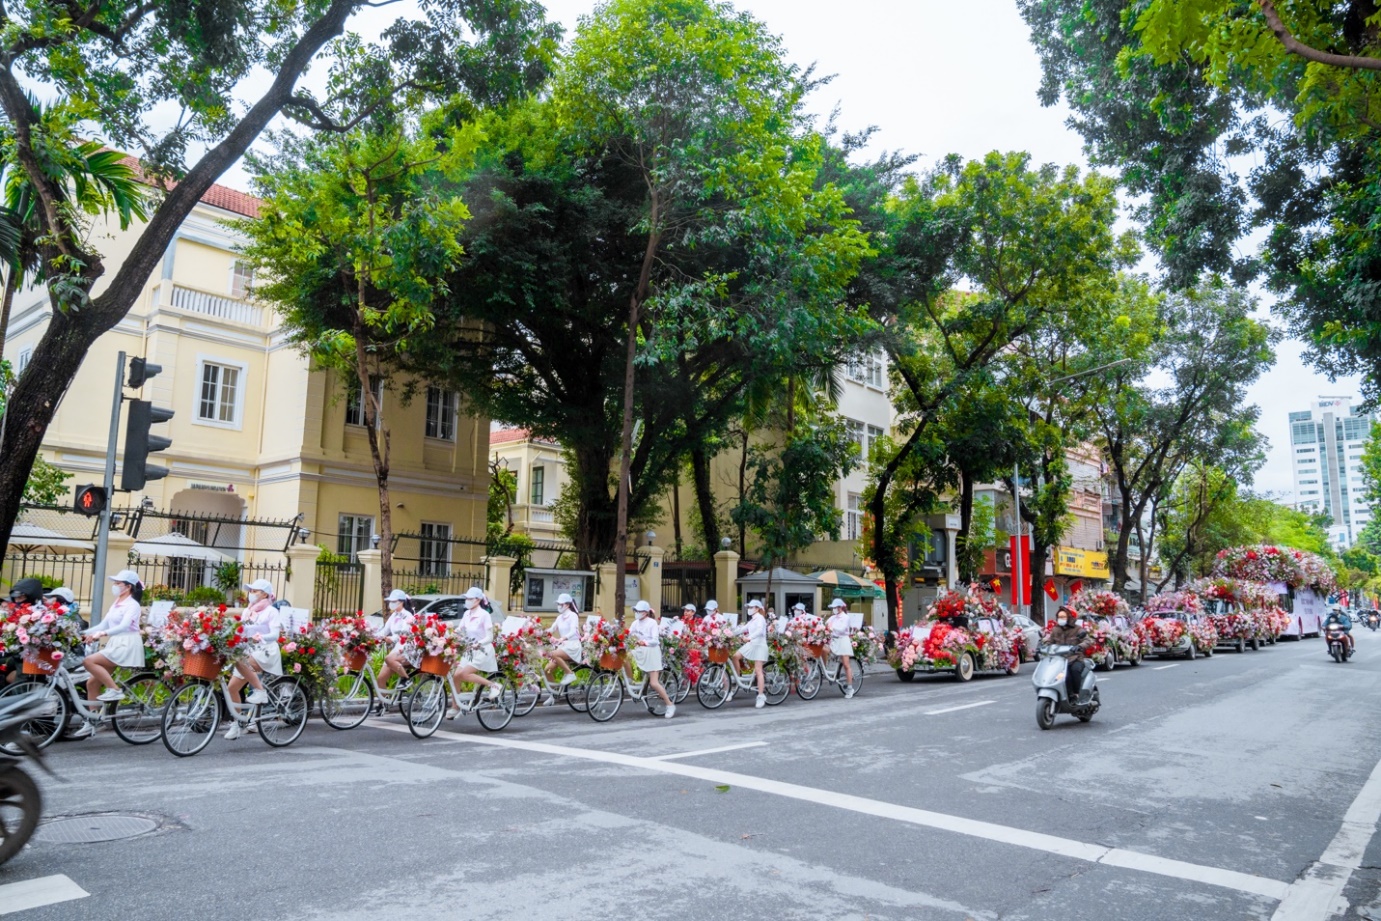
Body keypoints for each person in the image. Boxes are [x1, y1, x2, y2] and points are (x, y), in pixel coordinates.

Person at [225, 579, 278, 739]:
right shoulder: (247, 611)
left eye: (255, 591)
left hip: (266, 651)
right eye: (251, 590)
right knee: (232, 689)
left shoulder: (271, 611)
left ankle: (260, 692)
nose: (251, 594)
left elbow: (275, 634)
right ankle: (236, 724)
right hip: (248, 651)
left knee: (239, 660)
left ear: (265, 594)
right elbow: (240, 630)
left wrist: (260, 637)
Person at [451, 586, 501, 710]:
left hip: (482, 651)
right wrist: (448, 636)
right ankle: (455, 706)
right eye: (466, 598)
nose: (467, 600)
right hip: (469, 650)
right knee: (456, 676)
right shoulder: (467, 613)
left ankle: (494, 685)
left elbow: (490, 637)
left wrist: (479, 643)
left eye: (470, 598)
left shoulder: (484, 615)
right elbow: (460, 630)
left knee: (464, 674)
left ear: (478, 600)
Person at [629, 600, 674, 718]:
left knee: (654, 683)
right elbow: (629, 636)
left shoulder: (652, 623)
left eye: (638, 611)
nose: (636, 613)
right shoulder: (635, 623)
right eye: (635, 610)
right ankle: (634, 683)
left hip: (651, 653)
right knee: (624, 658)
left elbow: (655, 640)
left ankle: (669, 704)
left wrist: (643, 642)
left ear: (645, 612)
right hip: (640, 651)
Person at [1, 578, 44, 685]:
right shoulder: (15, 613)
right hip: (13, 655)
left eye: (20, 598)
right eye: (15, 598)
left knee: (21, 679)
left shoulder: (38, 614)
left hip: (28, 658)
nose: (17, 601)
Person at [1046, 605, 1092, 703]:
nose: (1061, 619)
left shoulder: (1078, 629)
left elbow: (1087, 641)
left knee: (1073, 671)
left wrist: (1079, 646)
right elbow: (1050, 642)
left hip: (1075, 658)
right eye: (1059, 617)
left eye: (1063, 617)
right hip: (1059, 660)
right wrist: (1043, 646)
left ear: (1069, 617)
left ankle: (1075, 694)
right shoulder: (1055, 630)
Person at [375, 588, 415, 696]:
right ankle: (383, 704)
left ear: (401, 602)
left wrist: (391, 639)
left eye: (393, 601)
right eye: (390, 601)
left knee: (388, 658)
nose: (391, 604)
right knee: (380, 679)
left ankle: (406, 679)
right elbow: (385, 630)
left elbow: (404, 634)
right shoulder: (394, 615)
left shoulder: (408, 616)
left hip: (406, 648)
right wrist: (373, 636)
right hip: (397, 648)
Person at [734, 598, 770, 709]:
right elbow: (742, 628)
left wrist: (749, 637)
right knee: (735, 656)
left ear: (757, 608)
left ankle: (760, 695)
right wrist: (729, 633)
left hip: (759, 645)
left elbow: (759, 631)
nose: (749, 609)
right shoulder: (752, 620)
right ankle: (738, 678)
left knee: (758, 670)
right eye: (748, 607)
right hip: (751, 644)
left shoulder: (760, 619)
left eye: (751, 607)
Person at [544, 592, 584, 687]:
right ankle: (554, 693)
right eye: (558, 604)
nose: (558, 606)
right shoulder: (559, 617)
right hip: (563, 647)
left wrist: (563, 638)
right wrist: (540, 632)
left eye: (560, 604)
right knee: (547, 670)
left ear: (567, 605)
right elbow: (552, 629)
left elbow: (573, 631)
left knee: (554, 654)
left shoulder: (573, 616)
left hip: (572, 646)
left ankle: (569, 674)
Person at [825, 598, 856, 698]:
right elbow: (825, 624)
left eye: (835, 607)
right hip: (833, 640)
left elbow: (842, 629)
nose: (833, 609)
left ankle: (850, 688)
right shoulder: (833, 617)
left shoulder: (845, 617)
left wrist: (831, 628)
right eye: (833, 607)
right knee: (823, 649)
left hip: (843, 641)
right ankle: (826, 670)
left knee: (846, 664)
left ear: (840, 608)